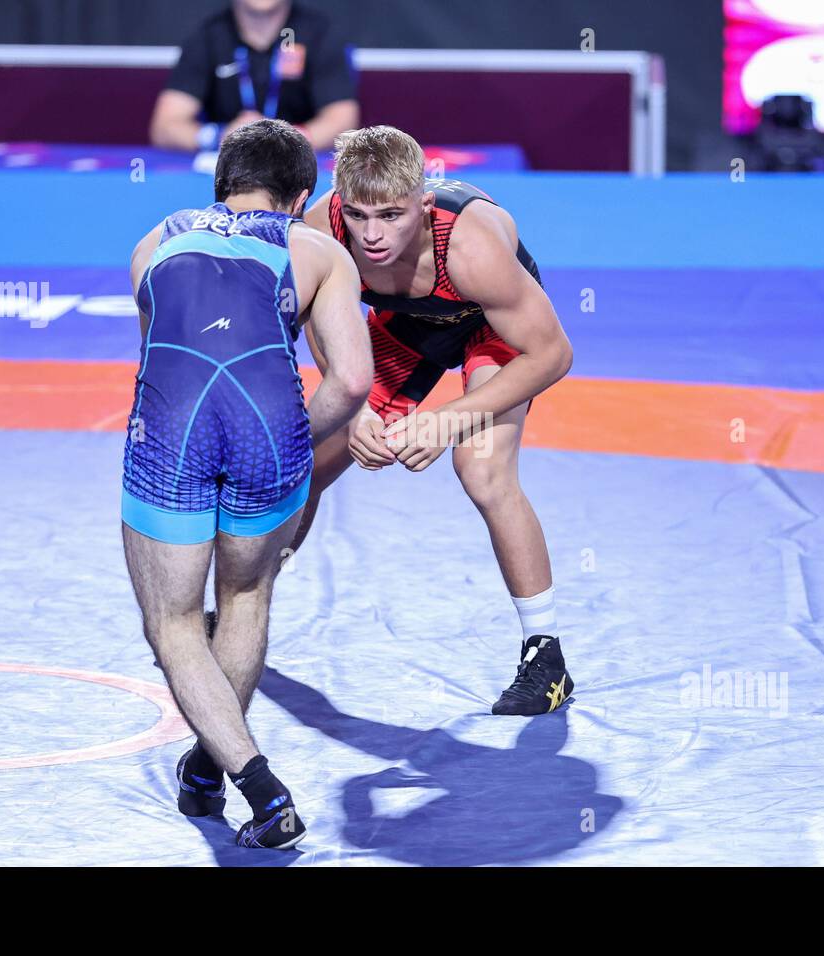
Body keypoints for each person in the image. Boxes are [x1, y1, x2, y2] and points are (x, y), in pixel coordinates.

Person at [121, 119, 372, 849]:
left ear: (218, 185)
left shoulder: (153, 240)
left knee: (172, 622)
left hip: (173, 428)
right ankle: (205, 769)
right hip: (269, 428)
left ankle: (260, 790)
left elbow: (161, 356)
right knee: (246, 597)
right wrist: (299, 430)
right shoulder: (319, 249)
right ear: (302, 196)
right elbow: (354, 381)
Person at [296, 125, 576, 717]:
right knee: (309, 464)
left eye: (392, 216)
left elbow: (552, 354)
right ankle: (247, 600)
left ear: (423, 207)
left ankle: (545, 654)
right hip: (410, 324)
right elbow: (323, 328)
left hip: (494, 328)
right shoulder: (324, 229)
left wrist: (449, 420)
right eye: (361, 215)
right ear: (341, 203)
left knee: (481, 470)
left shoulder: (471, 247)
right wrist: (358, 406)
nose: (372, 236)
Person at [150, 0, 359, 153]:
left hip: (298, 171)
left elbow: (343, 121)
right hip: (228, 173)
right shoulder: (207, 36)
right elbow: (164, 126)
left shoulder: (321, 33)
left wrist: (283, 141)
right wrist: (219, 136)